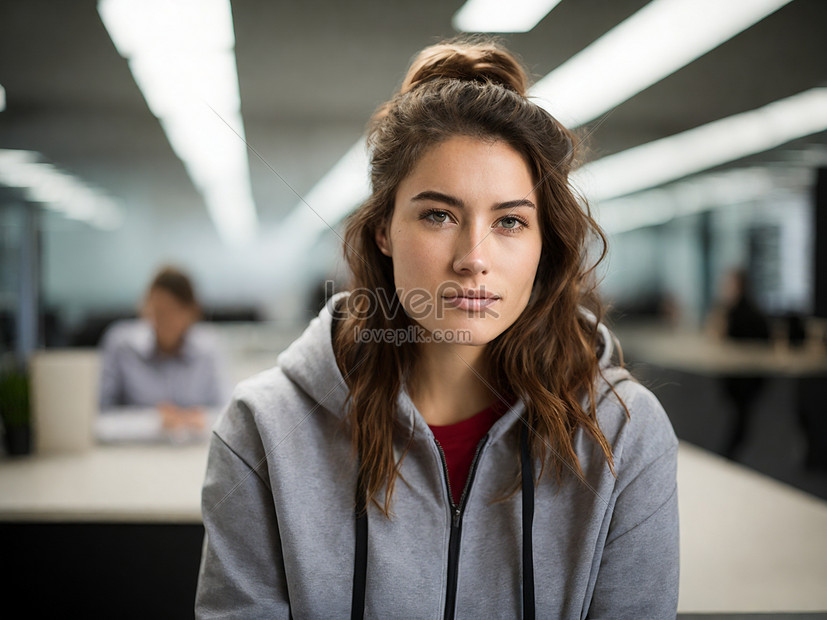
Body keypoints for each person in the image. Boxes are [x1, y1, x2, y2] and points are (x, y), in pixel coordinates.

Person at [196, 38, 679, 618]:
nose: (473, 257)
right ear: (383, 230)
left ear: (542, 244)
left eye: (510, 221)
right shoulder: (264, 429)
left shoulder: (623, 435)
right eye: (438, 215)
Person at [97, 265, 229, 441]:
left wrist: (199, 418)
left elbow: (228, 416)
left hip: (191, 454)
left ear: (191, 313)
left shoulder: (209, 348)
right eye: (158, 311)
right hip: (132, 454)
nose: (164, 320)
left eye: (173, 312)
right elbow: (99, 417)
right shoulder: (121, 345)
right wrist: (154, 421)